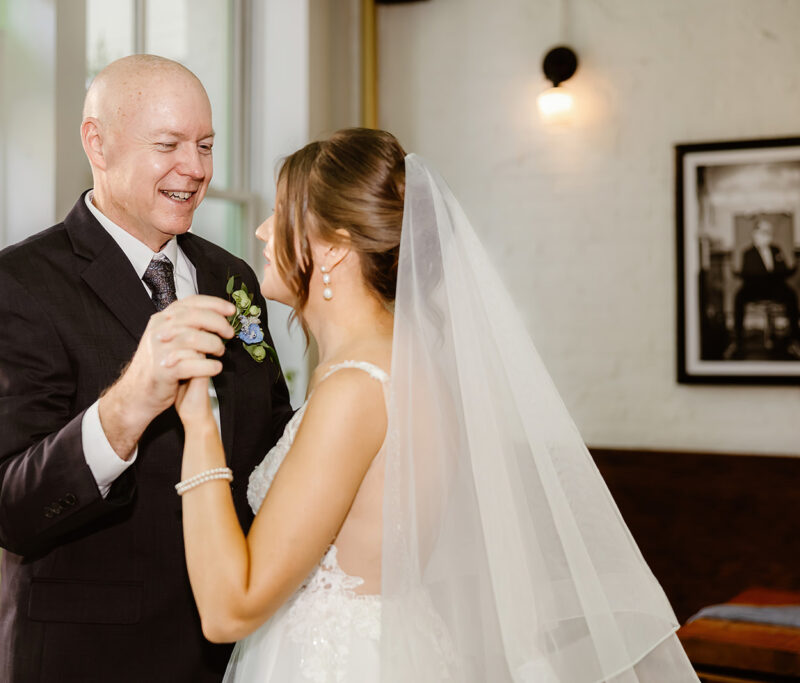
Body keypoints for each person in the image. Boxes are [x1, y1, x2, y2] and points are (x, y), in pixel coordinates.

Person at [172, 128, 701, 682]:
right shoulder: (412, 370)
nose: (261, 230)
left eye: (281, 212)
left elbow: (231, 607)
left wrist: (199, 420)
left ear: (331, 244)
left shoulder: (355, 391)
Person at [0, 55, 292, 682]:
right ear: (97, 142)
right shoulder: (9, 288)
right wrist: (129, 401)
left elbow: (271, 443)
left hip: (239, 645)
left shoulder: (232, 277)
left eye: (206, 145)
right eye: (168, 144)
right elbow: (11, 510)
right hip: (98, 657)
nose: (195, 169)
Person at [732, 218, 800, 353]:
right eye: (763, 232)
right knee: (739, 297)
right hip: (754, 288)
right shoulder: (747, 253)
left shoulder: (776, 250)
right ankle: (738, 340)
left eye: (768, 232)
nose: (766, 235)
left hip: (775, 287)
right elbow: (747, 274)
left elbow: (783, 270)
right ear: (755, 234)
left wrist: (789, 270)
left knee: (791, 295)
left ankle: (795, 338)